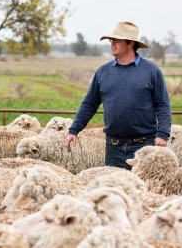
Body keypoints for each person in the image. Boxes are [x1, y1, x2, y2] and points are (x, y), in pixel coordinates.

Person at [65, 21, 171, 170]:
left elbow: (163, 103)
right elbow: (90, 103)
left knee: (144, 191)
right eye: (111, 40)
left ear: (130, 44)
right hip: (113, 147)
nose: (112, 44)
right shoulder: (103, 72)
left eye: (117, 40)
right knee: (114, 190)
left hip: (144, 145)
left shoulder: (151, 71)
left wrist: (163, 134)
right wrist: (73, 130)